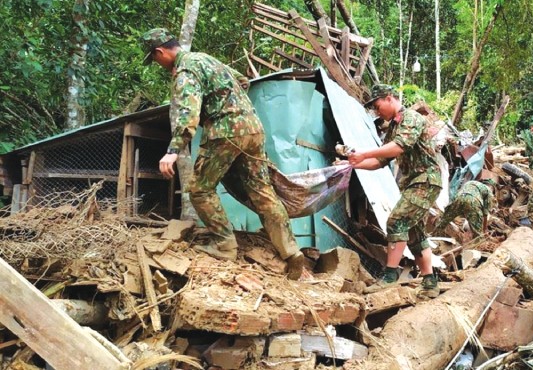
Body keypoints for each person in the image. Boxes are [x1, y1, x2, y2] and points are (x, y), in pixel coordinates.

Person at [142, 28, 308, 279]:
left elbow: (188, 113)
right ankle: (291, 250)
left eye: (155, 59)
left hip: (225, 132)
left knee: (199, 189)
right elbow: (243, 80)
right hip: (253, 128)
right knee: (262, 192)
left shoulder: (186, 71)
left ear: (160, 51)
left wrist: (172, 151)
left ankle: (224, 245)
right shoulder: (207, 59)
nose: (158, 64)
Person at [348, 84, 442, 299]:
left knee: (396, 221)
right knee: (414, 233)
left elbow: (399, 147)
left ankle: (390, 277)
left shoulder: (410, 118)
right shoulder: (393, 127)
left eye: (377, 105)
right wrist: (352, 165)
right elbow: (381, 160)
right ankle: (430, 283)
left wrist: (362, 154)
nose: (376, 111)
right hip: (414, 183)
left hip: (425, 180)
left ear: (389, 98)